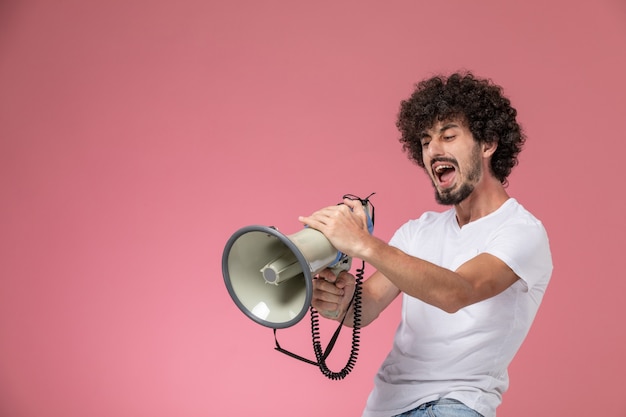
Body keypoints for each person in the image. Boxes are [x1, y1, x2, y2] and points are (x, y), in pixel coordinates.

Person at [298, 72, 553, 417]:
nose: (434, 150)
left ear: (488, 143)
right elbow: (365, 307)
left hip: (455, 405)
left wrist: (363, 243)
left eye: (448, 136)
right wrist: (332, 296)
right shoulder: (419, 231)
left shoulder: (521, 231)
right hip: (383, 407)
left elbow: (458, 291)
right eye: (425, 141)